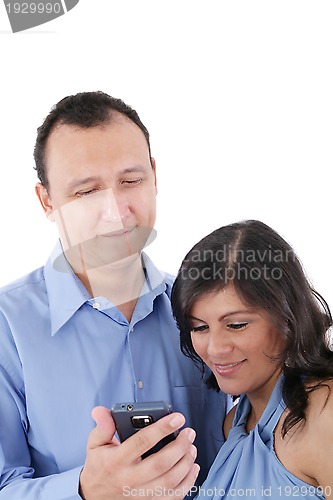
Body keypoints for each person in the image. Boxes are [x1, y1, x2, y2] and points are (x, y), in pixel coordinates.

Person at [0, 91, 230, 499]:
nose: (116, 210)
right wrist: (85, 490)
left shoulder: (205, 307)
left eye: (131, 181)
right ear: (47, 200)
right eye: (86, 191)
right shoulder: (7, 327)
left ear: (155, 176)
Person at [171, 220, 333, 499]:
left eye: (236, 325)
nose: (215, 348)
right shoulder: (234, 422)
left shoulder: (324, 413)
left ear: (288, 318)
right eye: (199, 327)